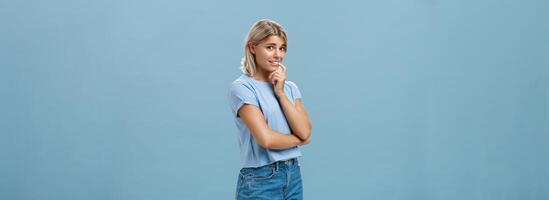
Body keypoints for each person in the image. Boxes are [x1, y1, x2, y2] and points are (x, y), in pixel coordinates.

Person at [228, 19, 313, 200]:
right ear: (252, 47)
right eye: (270, 47)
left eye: (282, 48)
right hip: (260, 179)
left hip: (293, 174)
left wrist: (280, 93)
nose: (277, 55)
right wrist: (298, 139)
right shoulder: (242, 88)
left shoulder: (289, 88)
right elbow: (266, 139)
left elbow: (306, 132)